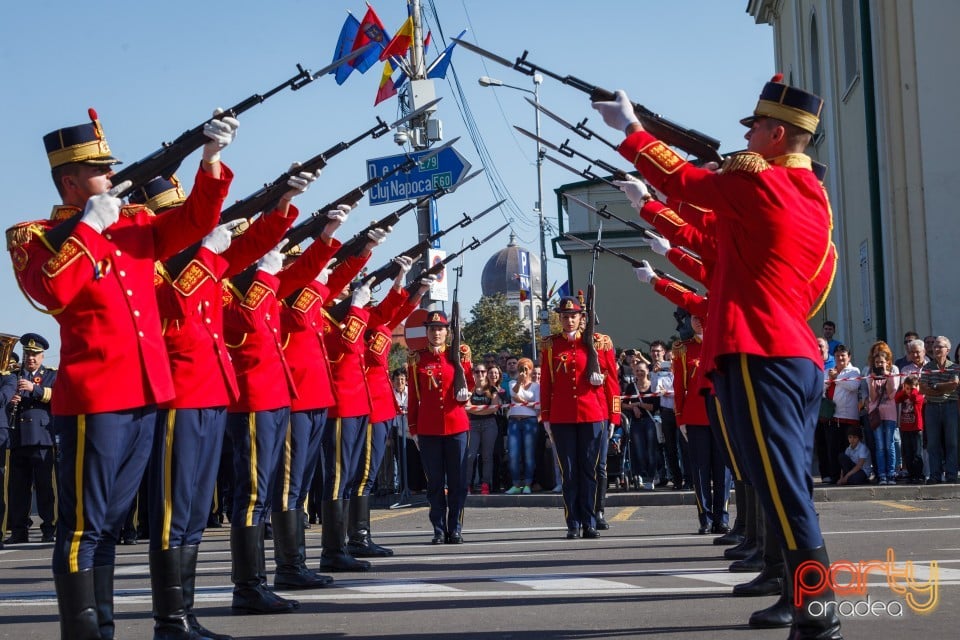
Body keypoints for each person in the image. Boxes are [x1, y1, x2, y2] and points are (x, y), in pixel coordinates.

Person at [594, 75, 841, 638]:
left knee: (779, 483)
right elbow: (711, 230)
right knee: (781, 480)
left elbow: (687, 180)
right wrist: (653, 209)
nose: (748, 137)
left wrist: (632, 130)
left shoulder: (764, 187)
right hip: (785, 353)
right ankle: (798, 593)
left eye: (755, 129)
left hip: (761, 351)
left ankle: (819, 607)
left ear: (777, 135)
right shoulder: (805, 198)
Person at [7, 107, 236, 639]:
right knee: (83, 528)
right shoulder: (35, 236)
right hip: (95, 400)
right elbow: (52, 292)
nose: (113, 176)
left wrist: (211, 159)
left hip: (147, 394)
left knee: (109, 527)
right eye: (100, 170)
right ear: (70, 180)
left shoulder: (135, 222)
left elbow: (195, 224)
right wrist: (89, 225)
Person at [539, 296, 620, 539]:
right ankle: (573, 523)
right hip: (563, 417)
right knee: (569, 472)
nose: (569, 320)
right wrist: (546, 417)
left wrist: (614, 416)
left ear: (582, 318)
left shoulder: (599, 342)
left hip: (594, 414)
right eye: (565, 316)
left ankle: (590, 520)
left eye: (573, 315)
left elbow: (613, 383)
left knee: (590, 471)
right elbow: (546, 385)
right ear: (560, 319)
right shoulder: (551, 345)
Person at [407, 311, 474, 544]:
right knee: (435, 483)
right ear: (427, 332)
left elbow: (469, 384)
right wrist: (413, 428)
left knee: (457, 482)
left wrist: (466, 393)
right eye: (432, 329)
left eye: (440, 328)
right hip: (429, 429)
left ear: (448, 331)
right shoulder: (418, 359)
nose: (436, 332)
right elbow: (413, 396)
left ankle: (455, 527)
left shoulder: (460, 355)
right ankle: (438, 528)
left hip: (456, 426)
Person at [3, 333, 57, 545]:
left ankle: (49, 527)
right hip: (17, 438)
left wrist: (33, 389)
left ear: (42, 356)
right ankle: (19, 529)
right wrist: (12, 398)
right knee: (18, 488)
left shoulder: (51, 375)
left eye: (35, 354)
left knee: (45, 486)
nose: (31, 358)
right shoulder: (14, 374)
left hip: (42, 438)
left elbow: (58, 395)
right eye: (28, 354)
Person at [918, 337, 960, 484]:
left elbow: (954, 385)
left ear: (947, 350)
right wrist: (940, 389)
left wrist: (934, 387)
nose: (936, 349)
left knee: (952, 442)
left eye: (939, 347)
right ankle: (935, 475)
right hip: (932, 408)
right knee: (933, 443)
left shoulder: (954, 367)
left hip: (950, 406)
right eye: (934, 347)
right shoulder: (927, 367)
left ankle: (951, 474)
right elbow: (922, 388)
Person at [505, 357, 540, 495]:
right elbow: (514, 395)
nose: (524, 371)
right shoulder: (513, 382)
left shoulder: (536, 386)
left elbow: (538, 404)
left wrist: (523, 401)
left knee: (529, 454)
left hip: (529, 421)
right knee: (513, 454)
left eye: (526, 368)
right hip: (514, 421)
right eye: (521, 368)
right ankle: (515, 484)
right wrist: (520, 381)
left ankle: (527, 484)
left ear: (531, 370)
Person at [866, 342, 900, 484]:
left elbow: (892, 394)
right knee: (879, 445)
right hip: (876, 413)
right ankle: (882, 474)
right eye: (877, 362)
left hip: (890, 413)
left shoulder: (893, 371)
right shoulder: (870, 374)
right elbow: (873, 397)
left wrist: (887, 375)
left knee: (889, 444)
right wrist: (873, 380)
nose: (880, 364)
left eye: (882, 362)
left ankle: (891, 473)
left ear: (887, 362)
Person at [466, 360, 501, 495]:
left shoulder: (492, 389)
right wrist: (483, 409)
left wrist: (475, 410)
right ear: (473, 374)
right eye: (477, 371)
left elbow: (494, 408)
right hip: (473, 425)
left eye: (482, 371)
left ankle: (486, 483)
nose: (480, 374)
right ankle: (468, 484)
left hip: (489, 424)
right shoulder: (470, 389)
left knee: (487, 456)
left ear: (486, 373)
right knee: (470, 455)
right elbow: (466, 407)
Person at [895, 375, 925, 483]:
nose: (909, 391)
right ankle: (911, 474)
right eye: (906, 388)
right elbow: (896, 398)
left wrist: (913, 390)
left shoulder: (919, 396)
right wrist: (904, 391)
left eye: (911, 388)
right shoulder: (904, 395)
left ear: (917, 387)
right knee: (908, 453)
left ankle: (919, 474)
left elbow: (914, 398)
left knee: (917, 453)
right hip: (905, 428)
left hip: (916, 429)